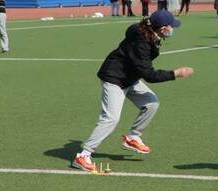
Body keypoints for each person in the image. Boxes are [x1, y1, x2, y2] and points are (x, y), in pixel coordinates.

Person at [73, 10, 194, 172]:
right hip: (114, 79)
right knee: (111, 119)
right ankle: (84, 155)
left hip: (129, 78)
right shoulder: (141, 43)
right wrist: (176, 74)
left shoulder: (149, 33)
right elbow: (150, 75)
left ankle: (133, 137)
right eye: (171, 26)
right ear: (162, 28)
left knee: (151, 103)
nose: (173, 29)